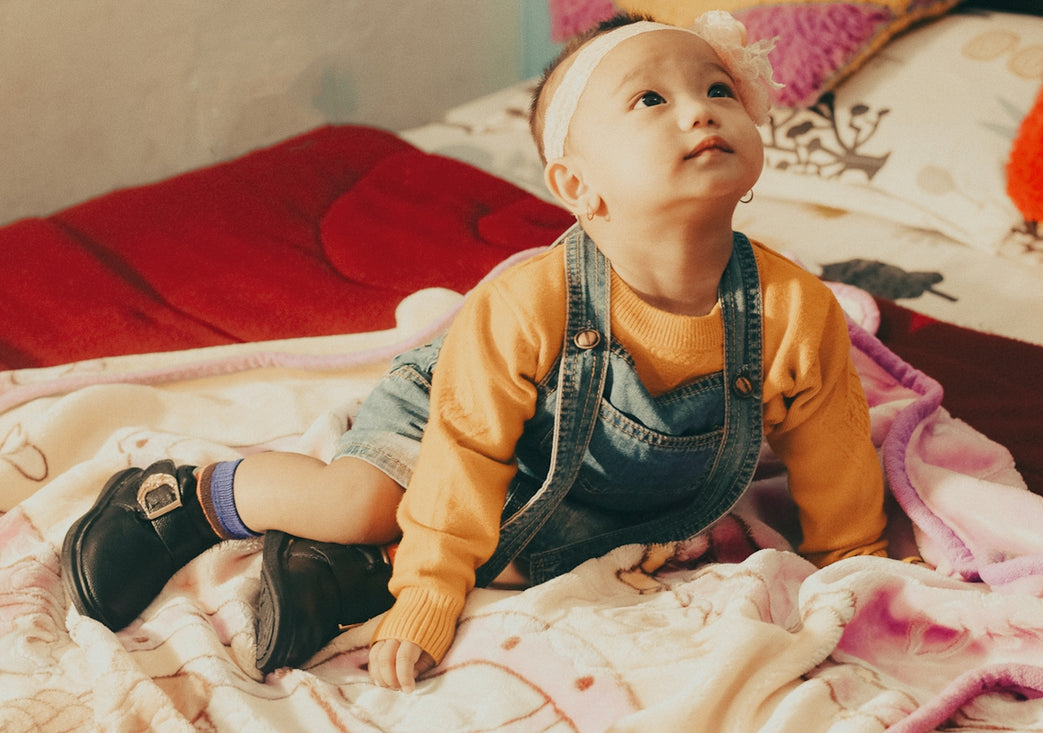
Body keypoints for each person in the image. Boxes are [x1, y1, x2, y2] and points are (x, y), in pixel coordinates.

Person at [61, 10, 889, 694]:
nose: (700, 110)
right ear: (577, 186)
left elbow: (836, 462)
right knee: (363, 504)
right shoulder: (532, 303)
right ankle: (190, 496)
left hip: (570, 486)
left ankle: (338, 571)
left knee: (540, 557)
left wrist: (862, 573)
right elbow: (465, 452)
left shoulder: (790, 311)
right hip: (458, 414)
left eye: (717, 89)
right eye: (650, 99)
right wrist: (430, 590)